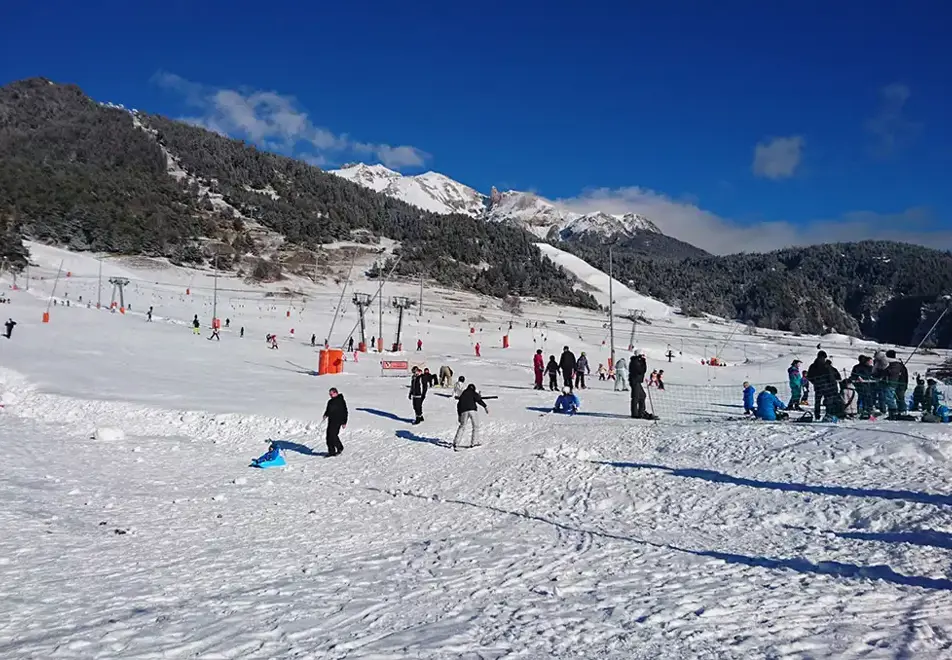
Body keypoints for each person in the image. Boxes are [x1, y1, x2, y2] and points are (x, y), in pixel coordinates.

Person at [454, 383, 488, 450]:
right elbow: (479, 399)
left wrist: (459, 415)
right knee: (475, 426)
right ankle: (474, 442)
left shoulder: (463, 394)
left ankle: (456, 442)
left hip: (463, 411)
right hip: (472, 411)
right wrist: (485, 406)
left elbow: (458, 405)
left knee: (462, 426)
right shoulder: (473, 393)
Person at [806, 351, 838, 420]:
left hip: (818, 387)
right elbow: (831, 377)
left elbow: (809, 376)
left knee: (817, 402)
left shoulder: (813, 366)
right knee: (828, 402)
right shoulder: (826, 366)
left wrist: (815, 382)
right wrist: (832, 384)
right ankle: (828, 415)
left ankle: (817, 415)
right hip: (827, 387)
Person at [322, 387, 348, 457]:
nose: (330, 395)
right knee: (328, 436)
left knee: (333, 435)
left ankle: (340, 447)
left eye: (331, 394)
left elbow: (345, 412)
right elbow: (328, 410)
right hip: (331, 421)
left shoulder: (340, 401)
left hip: (338, 421)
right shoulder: (330, 402)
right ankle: (331, 452)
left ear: (336, 393)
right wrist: (325, 414)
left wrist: (344, 422)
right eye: (329, 394)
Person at [884, 350, 909, 417]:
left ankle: (894, 411)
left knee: (892, 397)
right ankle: (901, 411)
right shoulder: (898, 364)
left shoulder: (894, 364)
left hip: (896, 384)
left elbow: (892, 374)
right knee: (899, 397)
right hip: (901, 384)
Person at [629, 349, 650, 419]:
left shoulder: (637, 361)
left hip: (637, 381)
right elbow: (641, 370)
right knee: (636, 397)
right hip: (635, 381)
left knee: (642, 395)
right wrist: (643, 362)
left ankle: (641, 411)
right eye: (643, 355)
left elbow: (642, 370)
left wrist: (643, 362)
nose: (644, 357)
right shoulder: (635, 362)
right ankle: (635, 413)